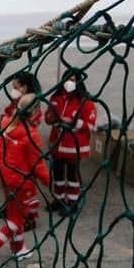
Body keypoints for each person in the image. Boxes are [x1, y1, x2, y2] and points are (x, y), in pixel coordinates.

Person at [0, 93, 49, 261]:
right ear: (35, 111)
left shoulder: (6, 124)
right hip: (22, 183)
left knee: (15, 214)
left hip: (7, 180)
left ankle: (18, 248)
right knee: (17, 220)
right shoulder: (31, 134)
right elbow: (38, 163)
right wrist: (49, 181)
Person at [45, 70, 97, 213]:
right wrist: (50, 117)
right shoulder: (55, 97)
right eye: (68, 79)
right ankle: (59, 199)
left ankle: (73, 202)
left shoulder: (86, 102)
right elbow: (47, 117)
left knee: (73, 175)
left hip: (74, 147)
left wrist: (73, 123)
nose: (70, 83)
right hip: (56, 145)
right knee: (58, 173)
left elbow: (90, 126)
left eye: (73, 80)